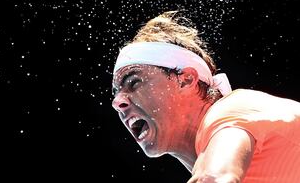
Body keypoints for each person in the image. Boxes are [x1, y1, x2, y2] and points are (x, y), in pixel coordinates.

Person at [111, 11, 300, 183]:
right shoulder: (209, 159)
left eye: (134, 82)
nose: (117, 102)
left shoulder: (231, 110)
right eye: (116, 92)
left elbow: (216, 179)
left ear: (186, 79)